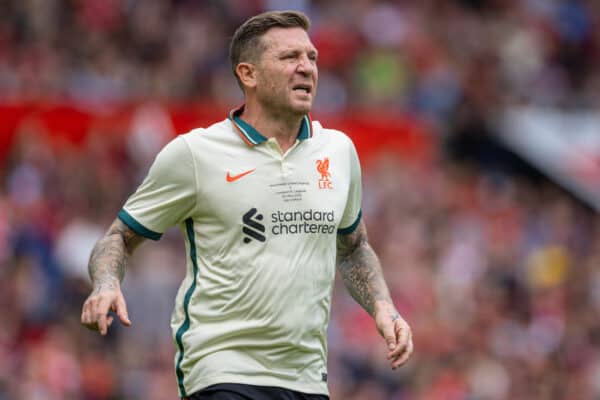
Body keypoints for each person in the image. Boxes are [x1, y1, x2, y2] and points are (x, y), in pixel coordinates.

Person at [80, 10, 413, 400]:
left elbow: (354, 247)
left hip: (307, 378)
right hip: (222, 370)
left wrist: (382, 307)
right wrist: (105, 284)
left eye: (312, 58)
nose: (306, 67)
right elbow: (119, 236)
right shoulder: (195, 154)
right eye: (290, 58)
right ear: (248, 74)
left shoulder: (338, 151)